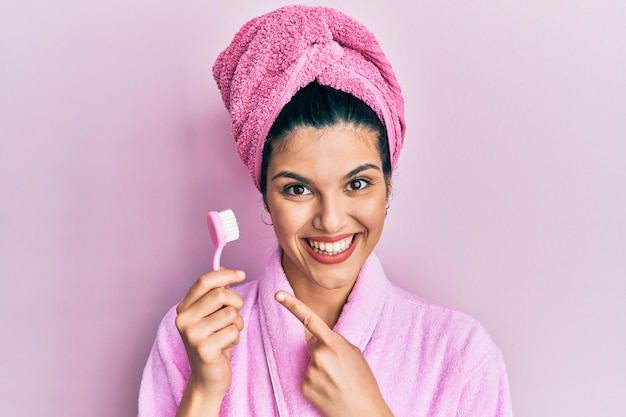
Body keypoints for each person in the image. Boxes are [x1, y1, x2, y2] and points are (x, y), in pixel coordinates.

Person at [138, 5, 513, 417]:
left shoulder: (461, 356)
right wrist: (205, 392)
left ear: (388, 184)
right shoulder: (192, 337)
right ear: (264, 193)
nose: (331, 220)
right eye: (298, 189)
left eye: (357, 184)